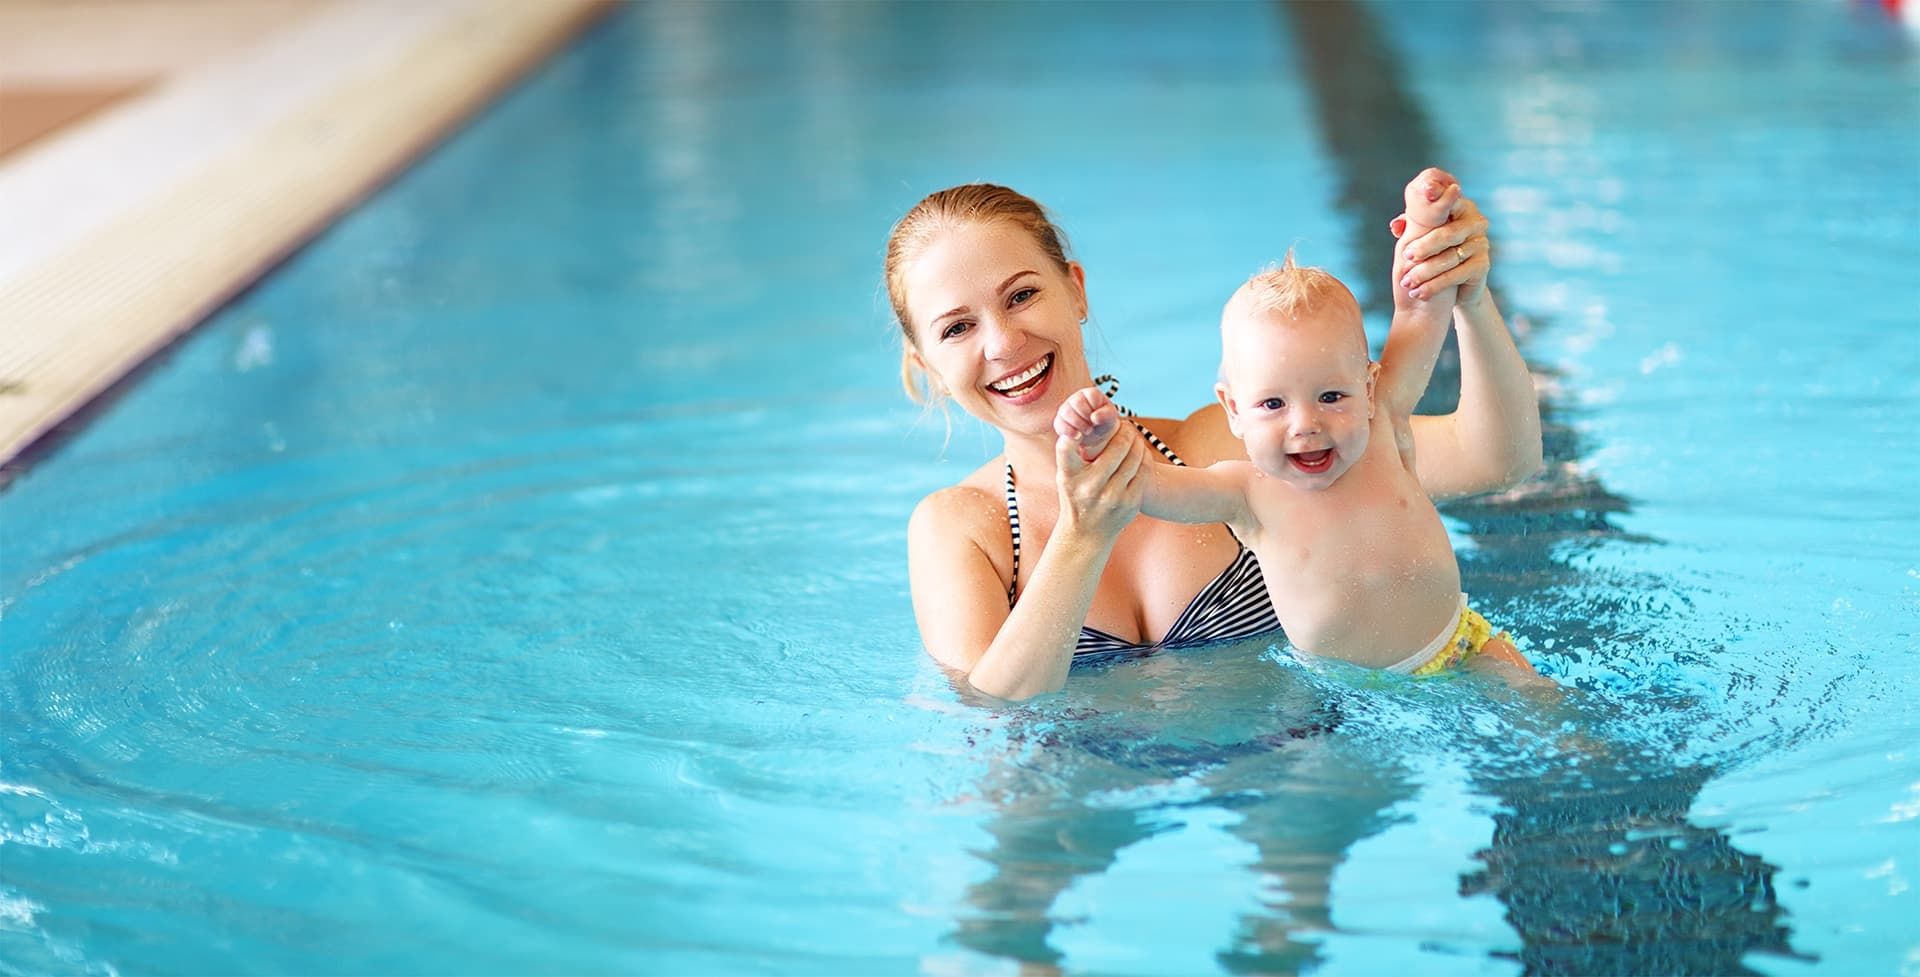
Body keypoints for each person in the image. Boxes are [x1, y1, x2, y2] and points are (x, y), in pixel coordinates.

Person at [886, 169, 1540, 700]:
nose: (1003, 342)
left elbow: (1496, 461)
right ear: (929, 370)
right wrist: (1085, 535)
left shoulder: (1243, 444)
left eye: (1021, 295)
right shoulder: (961, 528)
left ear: (1075, 291)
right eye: (957, 328)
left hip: (1313, 787)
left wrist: (1471, 299)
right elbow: (989, 723)